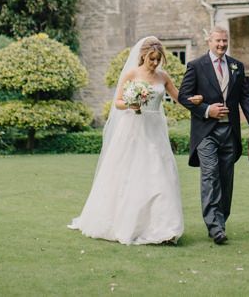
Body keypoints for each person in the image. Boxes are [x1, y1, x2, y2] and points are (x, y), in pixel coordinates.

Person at [69, 36, 202, 245]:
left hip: (155, 129)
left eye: (158, 59)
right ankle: (128, 224)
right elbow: (118, 102)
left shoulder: (163, 77)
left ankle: (165, 229)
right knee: (130, 174)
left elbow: (179, 98)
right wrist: (131, 104)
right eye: (152, 59)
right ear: (143, 55)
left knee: (161, 175)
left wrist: (194, 101)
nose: (155, 63)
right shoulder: (132, 73)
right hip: (133, 128)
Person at [178, 26, 249, 245]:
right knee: (210, 176)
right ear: (209, 41)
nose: (222, 45)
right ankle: (214, 226)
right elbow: (183, 96)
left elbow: (245, 97)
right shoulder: (196, 66)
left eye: (225, 41)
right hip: (206, 132)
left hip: (229, 132)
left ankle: (221, 221)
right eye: (218, 41)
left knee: (226, 179)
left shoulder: (237, 66)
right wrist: (207, 110)